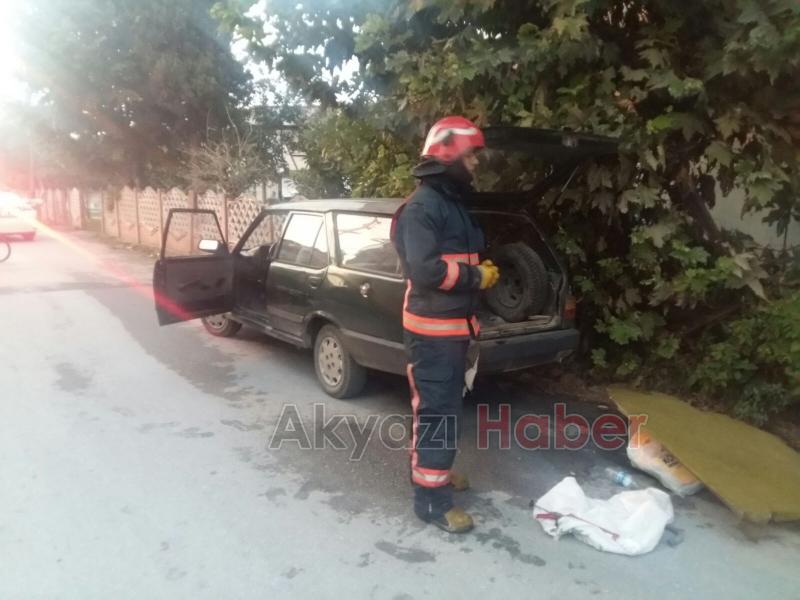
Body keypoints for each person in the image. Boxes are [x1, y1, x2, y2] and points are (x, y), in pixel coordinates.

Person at [391, 116, 500, 533]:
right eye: (471, 156)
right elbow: (426, 270)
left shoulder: (448, 202)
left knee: (443, 412)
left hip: (453, 330)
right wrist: (478, 278)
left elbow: (457, 258)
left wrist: (480, 269)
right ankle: (432, 502)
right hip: (433, 334)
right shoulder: (422, 207)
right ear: (448, 153)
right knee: (437, 414)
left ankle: (433, 470)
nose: (475, 164)